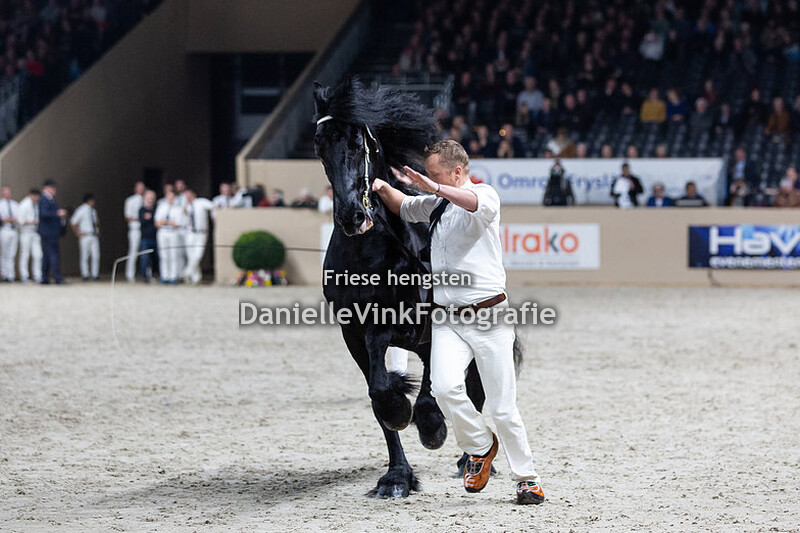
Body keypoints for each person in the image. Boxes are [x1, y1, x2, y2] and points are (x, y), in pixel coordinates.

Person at [371, 140, 545, 506]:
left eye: (434, 175)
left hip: (489, 317)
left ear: (456, 173)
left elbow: (472, 203)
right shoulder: (436, 207)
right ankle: (480, 446)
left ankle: (527, 478)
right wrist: (378, 184)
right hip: (447, 320)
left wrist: (433, 187)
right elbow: (402, 205)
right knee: (446, 388)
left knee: (501, 407)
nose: (428, 181)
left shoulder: (485, 196)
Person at [182, 190, 214, 285]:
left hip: (201, 233)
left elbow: (213, 206)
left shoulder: (201, 202)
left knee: (198, 254)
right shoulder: (186, 206)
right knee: (191, 255)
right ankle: (196, 277)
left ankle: (187, 272)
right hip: (190, 233)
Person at [38, 179, 67, 284]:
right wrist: (57, 213)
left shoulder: (50, 200)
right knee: (54, 255)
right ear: (46, 188)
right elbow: (44, 214)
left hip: (50, 232)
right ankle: (57, 278)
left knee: (47, 256)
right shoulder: (44, 200)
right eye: (52, 188)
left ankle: (45, 278)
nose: (54, 190)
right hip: (49, 232)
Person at [154, 189, 184, 284]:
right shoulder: (161, 207)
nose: (170, 198)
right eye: (168, 196)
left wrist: (165, 222)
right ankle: (164, 276)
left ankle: (173, 276)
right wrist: (168, 222)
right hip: (163, 233)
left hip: (173, 233)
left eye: (172, 196)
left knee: (173, 255)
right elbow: (157, 222)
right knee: (164, 255)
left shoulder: (178, 209)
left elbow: (178, 224)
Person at [70, 193, 100, 281]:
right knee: (85, 255)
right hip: (85, 235)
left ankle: (95, 274)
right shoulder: (81, 210)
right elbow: (73, 222)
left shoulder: (93, 211)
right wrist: (77, 232)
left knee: (95, 255)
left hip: (93, 234)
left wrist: (97, 231)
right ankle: (85, 274)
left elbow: (96, 223)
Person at [18, 188, 43, 283]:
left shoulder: (36, 205)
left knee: (38, 255)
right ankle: (24, 276)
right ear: (31, 195)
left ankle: (37, 275)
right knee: (25, 254)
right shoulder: (24, 205)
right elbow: (20, 221)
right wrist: (32, 222)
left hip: (35, 232)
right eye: (35, 196)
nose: (36, 198)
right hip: (26, 232)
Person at [123, 181, 144, 282]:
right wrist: (140, 218)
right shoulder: (130, 201)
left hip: (144, 229)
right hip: (135, 229)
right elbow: (127, 216)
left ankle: (145, 273)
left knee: (145, 252)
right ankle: (130, 274)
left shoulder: (145, 200)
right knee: (133, 251)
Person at [0, 186, 20, 282]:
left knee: (12, 254)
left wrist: (9, 219)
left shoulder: (15, 204)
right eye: (5, 193)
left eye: (8, 193)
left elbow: (18, 218)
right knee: (4, 253)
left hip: (14, 230)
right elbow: (3, 219)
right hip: (5, 230)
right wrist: (9, 219)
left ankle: (11, 275)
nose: (7, 195)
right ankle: (4, 274)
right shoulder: (1, 205)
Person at [138, 190, 157, 281]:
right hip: (145, 237)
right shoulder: (142, 210)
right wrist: (150, 219)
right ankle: (143, 276)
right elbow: (143, 221)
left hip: (155, 237)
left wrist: (150, 217)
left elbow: (156, 221)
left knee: (155, 258)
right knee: (144, 258)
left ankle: (153, 275)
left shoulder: (156, 209)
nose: (150, 199)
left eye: (152, 198)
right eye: (149, 197)